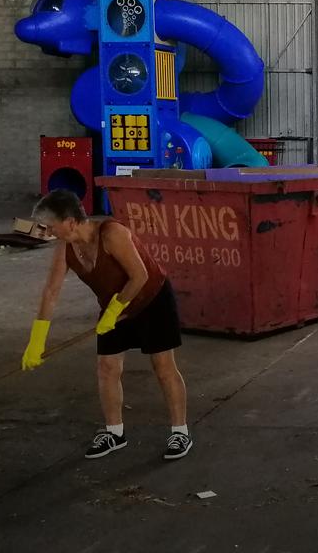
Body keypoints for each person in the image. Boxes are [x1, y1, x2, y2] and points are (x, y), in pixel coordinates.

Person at [20, 190, 192, 461]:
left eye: (51, 226)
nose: (48, 231)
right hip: (115, 303)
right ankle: (114, 432)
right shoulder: (65, 248)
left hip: (152, 299)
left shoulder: (112, 234)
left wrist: (113, 311)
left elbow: (139, 276)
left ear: (70, 221)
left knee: (163, 367)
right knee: (107, 367)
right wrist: (37, 339)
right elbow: (51, 292)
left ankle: (180, 431)